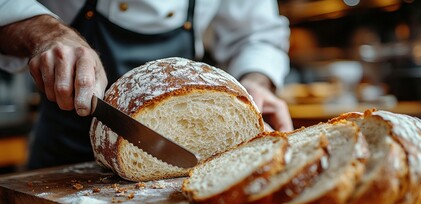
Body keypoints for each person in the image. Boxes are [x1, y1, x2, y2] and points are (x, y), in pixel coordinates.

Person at [0, 0, 293, 169]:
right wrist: (45, 33)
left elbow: (256, 33)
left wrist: (257, 82)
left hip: (180, 175)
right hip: (60, 160)